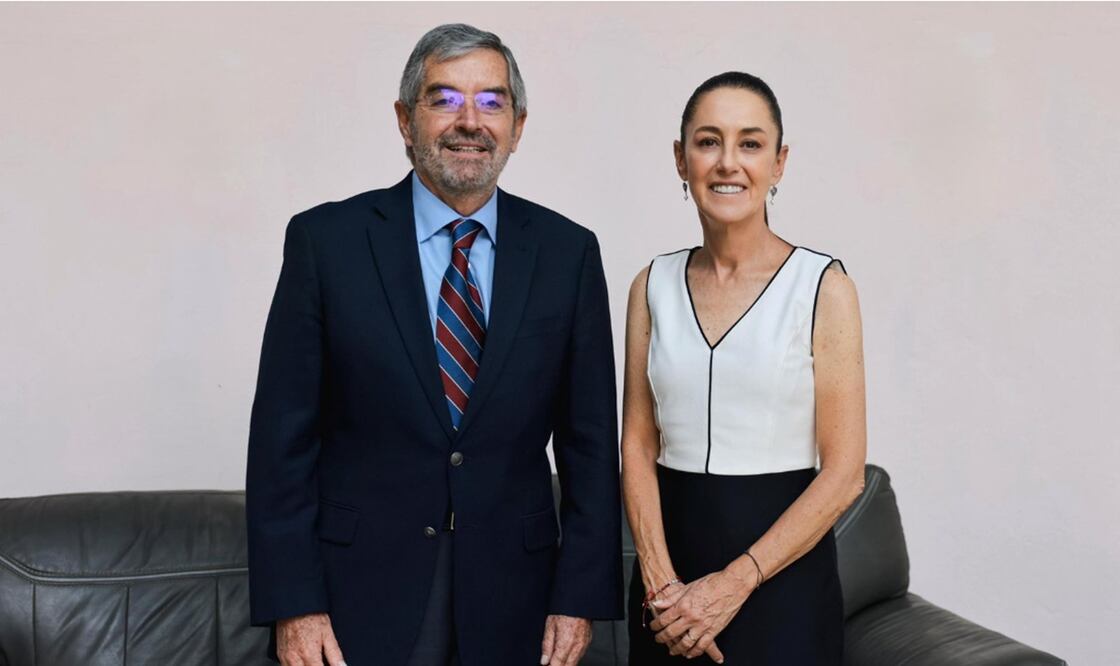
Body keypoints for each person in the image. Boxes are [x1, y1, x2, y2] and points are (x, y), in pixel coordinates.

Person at [246, 23, 622, 666]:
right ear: (404, 119)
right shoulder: (326, 243)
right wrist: (295, 604)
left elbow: (590, 446)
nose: (469, 121)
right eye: (444, 99)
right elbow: (282, 442)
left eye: (492, 101)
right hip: (358, 594)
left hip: (518, 596)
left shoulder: (568, 253)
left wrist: (579, 597)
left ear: (519, 124)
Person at [621, 72, 867, 664]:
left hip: (781, 587)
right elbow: (636, 442)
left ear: (779, 163)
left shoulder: (823, 287)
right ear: (681, 160)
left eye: (750, 144)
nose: (728, 162)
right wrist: (658, 581)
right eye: (708, 142)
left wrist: (732, 585)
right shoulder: (650, 285)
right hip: (667, 597)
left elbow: (845, 473)